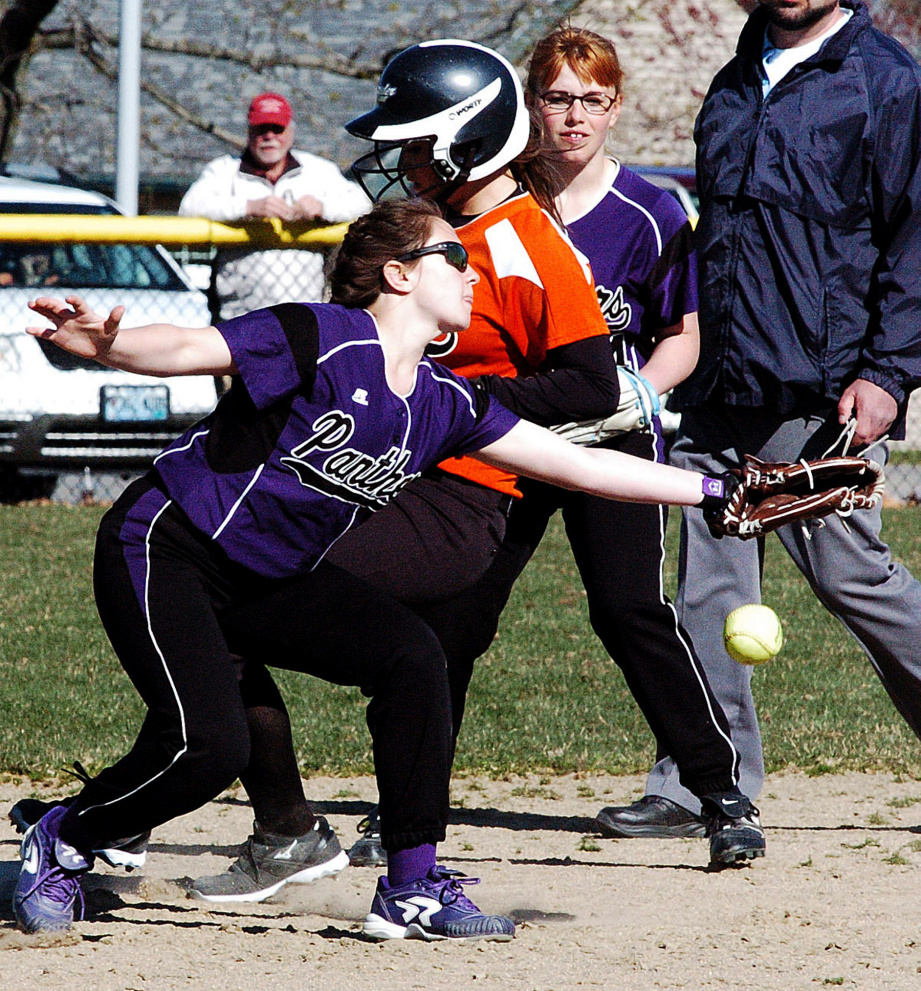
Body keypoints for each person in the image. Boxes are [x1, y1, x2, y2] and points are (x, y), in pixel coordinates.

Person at [12, 198, 736, 938]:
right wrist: (106, 346)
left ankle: (411, 883)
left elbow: (579, 465)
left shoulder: (439, 399)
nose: (471, 271)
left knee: (412, 655)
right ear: (397, 273)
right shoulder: (324, 336)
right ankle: (66, 835)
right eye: (453, 257)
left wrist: (724, 490)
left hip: (271, 577)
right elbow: (189, 346)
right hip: (169, 545)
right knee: (209, 747)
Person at [414, 25, 763, 864]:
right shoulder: (490, 201)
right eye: (558, 97)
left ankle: (720, 795)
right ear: (530, 106)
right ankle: (409, 802)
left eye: (593, 99)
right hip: (508, 433)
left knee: (629, 611)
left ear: (615, 108)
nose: (574, 116)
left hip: (610, 431)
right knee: (457, 615)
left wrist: (649, 384)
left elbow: (683, 332)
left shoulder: (647, 209)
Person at [601, 0, 921, 837]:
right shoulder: (735, 79)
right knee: (705, 589)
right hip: (720, 378)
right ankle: (703, 780)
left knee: (852, 577)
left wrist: (887, 372)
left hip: (816, 387)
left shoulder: (885, 81)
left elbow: (913, 240)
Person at [178, 91, 370, 319]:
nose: (269, 137)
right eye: (261, 129)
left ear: (290, 132)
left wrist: (322, 207)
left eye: (277, 129)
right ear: (249, 132)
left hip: (306, 314)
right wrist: (248, 207)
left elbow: (363, 204)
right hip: (239, 316)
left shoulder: (317, 170)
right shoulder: (224, 170)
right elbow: (189, 207)